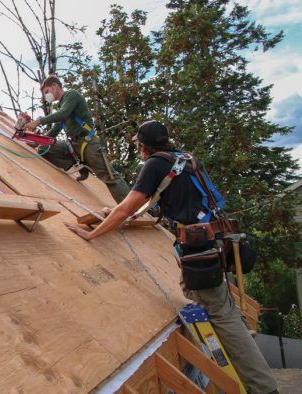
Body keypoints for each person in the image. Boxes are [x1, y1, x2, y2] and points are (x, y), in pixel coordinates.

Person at [65, 120, 278, 394]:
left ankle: (264, 389)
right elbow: (159, 203)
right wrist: (117, 211)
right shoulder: (185, 159)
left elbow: (129, 205)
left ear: (143, 146)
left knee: (222, 316)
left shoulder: (155, 164)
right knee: (206, 299)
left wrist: (92, 236)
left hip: (200, 250)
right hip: (217, 241)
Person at [25, 76, 130, 203]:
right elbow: (55, 130)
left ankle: (130, 207)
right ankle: (81, 166)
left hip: (88, 143)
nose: (46, 96)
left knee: (110, 177)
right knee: (44, 148)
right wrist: (37, 141)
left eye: (46, 91)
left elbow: (63, 114)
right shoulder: (62, 106)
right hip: (73, 146)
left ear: (54, 86)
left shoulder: (71, 96)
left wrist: (39, 121)